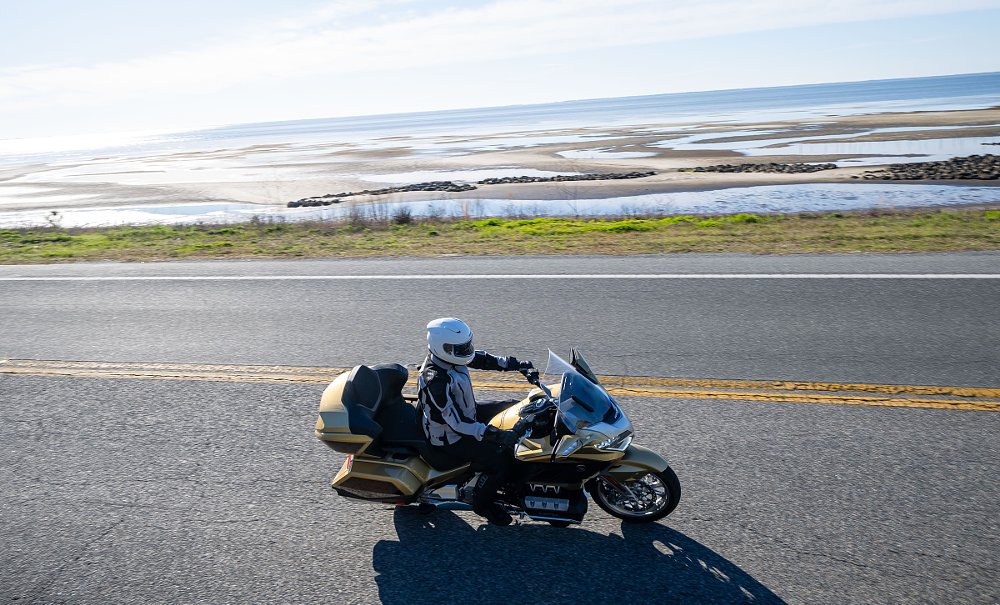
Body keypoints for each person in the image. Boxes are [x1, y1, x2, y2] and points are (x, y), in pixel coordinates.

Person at [416, 317, 536, 526]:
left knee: (517, 407)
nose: (467, 351)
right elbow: (458, 424)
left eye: (467, 345)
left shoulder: (454, 356)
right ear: (442, 347)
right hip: (449, 437)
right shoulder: (435, 380)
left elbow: (486, 359)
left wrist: (519, 365)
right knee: (498, 460)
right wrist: (496, 435)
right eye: (461, 348)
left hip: (467, 415)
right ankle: (484, 505)